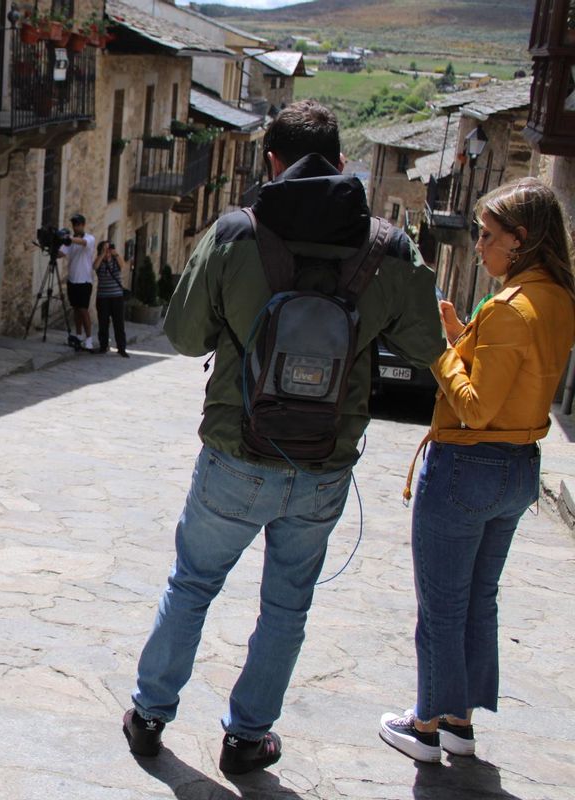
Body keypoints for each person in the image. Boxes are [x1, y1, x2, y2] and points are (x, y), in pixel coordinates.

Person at [123, 100, 447, 774]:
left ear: (273, 161)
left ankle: (151, 713)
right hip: (325, 461)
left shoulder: (239, 232)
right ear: (342, 162)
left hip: (237, 452)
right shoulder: (389, 248)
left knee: (192, 584)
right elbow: (424, 347)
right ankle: (247, 737)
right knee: (286, 603)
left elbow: (182, 336)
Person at [378, 178, 575, 763]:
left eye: (488, 237)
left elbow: (475, 406)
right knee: (477, 599)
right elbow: (518, 379)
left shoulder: (511, 307)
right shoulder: (558, 299)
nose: (480, 247)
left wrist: (438, 351)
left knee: (441, 603)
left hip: (469, 464)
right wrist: (466, 337)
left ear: (521, 240)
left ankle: (426, 726)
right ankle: (460, 722)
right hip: (517, 467)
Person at [61, 214, 96, 350]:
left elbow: (83, 243)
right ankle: (79, 335)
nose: (75, 227)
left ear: (83, 225)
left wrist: (69, 238)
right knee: (75, 309)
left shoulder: (89, 238)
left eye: (77, 224)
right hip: (72, 280)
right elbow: (61, 253)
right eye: (74, 225)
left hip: (84, 281)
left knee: (83, 309)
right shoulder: (70, 242)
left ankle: (89, 339)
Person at [93, 241, 130, 357]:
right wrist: (103, 254)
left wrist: (115, 253)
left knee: (119, 323)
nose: (108, 251)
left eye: (109, 248)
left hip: (117, 297)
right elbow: (95, 266)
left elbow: (123, 265)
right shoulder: (99, 261)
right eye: (105, 249)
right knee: (103, 323)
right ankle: (103, 346)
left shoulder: (115, 261)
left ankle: (121, 348)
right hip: (103, 297)